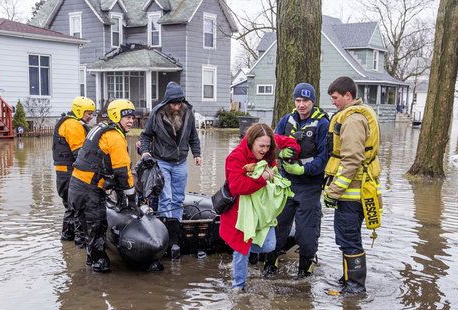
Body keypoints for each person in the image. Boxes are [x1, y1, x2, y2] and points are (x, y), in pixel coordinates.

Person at [219, 123, 299, 292]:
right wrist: (263, 178)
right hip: (241, 211)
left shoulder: (269, 143)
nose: (264, 150)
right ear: (251, 142)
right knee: (241, 249)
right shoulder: (236, 157)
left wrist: (290, 152)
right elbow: (237, 187)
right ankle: (238, 288)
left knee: (269, 246)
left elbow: (291, 142)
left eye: (268, 146)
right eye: (261, 146)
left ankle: (243, 251)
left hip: (262, 210)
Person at [263, 82, 329, 280]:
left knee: (306, 233)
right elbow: (271, 145)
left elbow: (324, 158)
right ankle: (270, 263)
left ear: (313, 102)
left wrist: (303, 169)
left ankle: (305, 269)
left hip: (309, 187)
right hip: (286, 185)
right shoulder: (287, 120)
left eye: (306, 101)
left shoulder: (322, 123)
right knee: (277, 226)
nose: (301, 105)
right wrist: (280, 153)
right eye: (298, 100)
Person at [324, 76, 382, 294]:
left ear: (348, 96)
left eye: (336, 98)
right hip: (355, 192)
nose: (333, 102)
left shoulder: (352, 120)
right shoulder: (356, 115)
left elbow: (351, 160)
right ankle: (348, 279)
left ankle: (355, 289)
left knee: (349, 239)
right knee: (347, 238)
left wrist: (333, 191)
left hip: (351, 195)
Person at [68, 99, 140, 273]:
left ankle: (90, 264)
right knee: (98, 229)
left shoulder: (100, 128)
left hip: (76, 187)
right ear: (116, 116)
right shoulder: (114, 136)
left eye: (132, 117)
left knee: (89, 232)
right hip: (88, 191)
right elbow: (123, 171)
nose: (131, 121)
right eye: (127, 117)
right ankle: (99, 275)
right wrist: (131, 198)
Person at [139, 81, 202, 260]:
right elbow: (146, 135)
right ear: (167, 103)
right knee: (165, 198)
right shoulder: (156, 114)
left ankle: (177, 231)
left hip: (181, 162)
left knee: (179, 197)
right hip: (162, 161)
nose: (176, 107)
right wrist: (145, 152)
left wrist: (196, 154)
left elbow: (193, 137)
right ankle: (165, 232)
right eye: (173, 103)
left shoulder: (188, 114)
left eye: (179, 103)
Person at [52, 96, 95, 247]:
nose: (91, 116)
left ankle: (67, 241)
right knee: (78, 206)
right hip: (70, 172)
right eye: (88, 113)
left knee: (70, 207)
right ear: (79, 111)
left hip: (64, 172)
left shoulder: (70, 122)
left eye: (92, 113)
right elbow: (80, 154)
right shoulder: (73, 125)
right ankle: (80, 243)